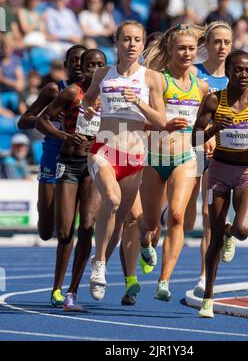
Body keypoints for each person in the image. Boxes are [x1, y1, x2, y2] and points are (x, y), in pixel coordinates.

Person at [83, 20, 166, 302]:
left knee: (120, 222)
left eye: (137, 40)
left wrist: (138, 103)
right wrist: (89, 108)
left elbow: (162, 121)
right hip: (103, 149)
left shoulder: (153, 78)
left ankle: (107, 258)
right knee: (112, 200)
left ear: (143, 45)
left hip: (134, 157)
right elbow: (87, 101)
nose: (131, 44)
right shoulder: (103, 75)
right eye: (126, 39)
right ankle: (99, 264)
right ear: (116, 42)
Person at [192, 50, 248, 317]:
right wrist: (215, 129)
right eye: (238, 70)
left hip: (246, 171)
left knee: (241, 230)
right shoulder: (214, 100)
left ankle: (231, 233)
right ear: (228, 72)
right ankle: (208, 297)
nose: (243, 74)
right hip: (218, 171)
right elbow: (194, 139)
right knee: (214, 239)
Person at [140, 24, 208, 300]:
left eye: (191, 48)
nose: (187, 53)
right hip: (156, 157)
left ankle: (164, 280)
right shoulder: (157, 80)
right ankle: (147, 242)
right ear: (170, 49)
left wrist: (208, 138)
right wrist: (163, 125)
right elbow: (148, 121)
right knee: (150, 224)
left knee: (177, 217)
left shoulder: (201, 86)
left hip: (185, 158)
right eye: (181, 47)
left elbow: (204, 123)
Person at [37, 48, 106, 311]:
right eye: (90, 64)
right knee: (65, 232)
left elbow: (123, 124)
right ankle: (56, 286)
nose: (94, 69)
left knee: (87, 226)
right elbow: (42, 121)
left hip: (94, 165)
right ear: (83, 66)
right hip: (68, 164)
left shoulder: (109, 97)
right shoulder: (70, 93)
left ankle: (72, 292)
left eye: (100, 64)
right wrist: (65, 137)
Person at [18, 45, 87, 307]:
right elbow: (24, 121)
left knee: (67, 229)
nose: (79, 65)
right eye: (74, 61)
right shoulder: (54, 90)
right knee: (46, 231)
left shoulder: (92, 93)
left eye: (83, 60)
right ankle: (43, 209)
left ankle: (59, 289)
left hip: (78, 161)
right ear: (67, 64)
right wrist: (51, 122)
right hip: (52, 158)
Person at [192, 21, 232, 297]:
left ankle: (205, 277)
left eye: (226, 42)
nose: (221, 47)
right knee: (179, 214)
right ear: (206, 44)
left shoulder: (236, 78)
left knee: (209, 216)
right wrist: (203, 136)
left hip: (222, 156)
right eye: (216, 41)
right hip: (193, 148)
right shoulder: (195, 75)